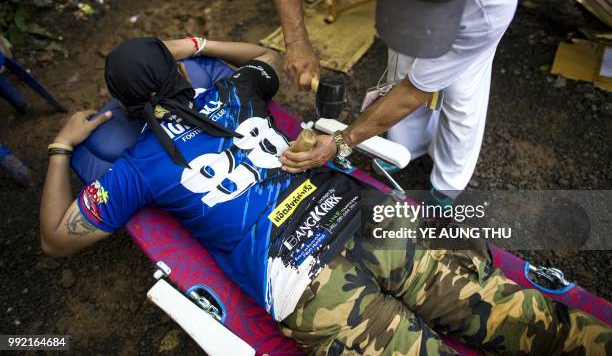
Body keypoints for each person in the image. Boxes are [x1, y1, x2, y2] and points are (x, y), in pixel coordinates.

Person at [40, 37, 610, 355]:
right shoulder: (237, 91)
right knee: (520, 316)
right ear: (181, 71)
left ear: (130, 106)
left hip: (308, 283)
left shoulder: (136, 165)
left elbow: (56, 240)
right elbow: (264, 53)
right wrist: (197, 43)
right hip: (364, 219)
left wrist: (62, 149)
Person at [268, 0, 536, 203]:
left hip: (476, 4)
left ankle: (449, 182)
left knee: (460, 89)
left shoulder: (488, 4)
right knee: (403, 64)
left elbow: (415, 90)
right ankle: (409, 143)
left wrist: (341, 141)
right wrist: (296, 42)